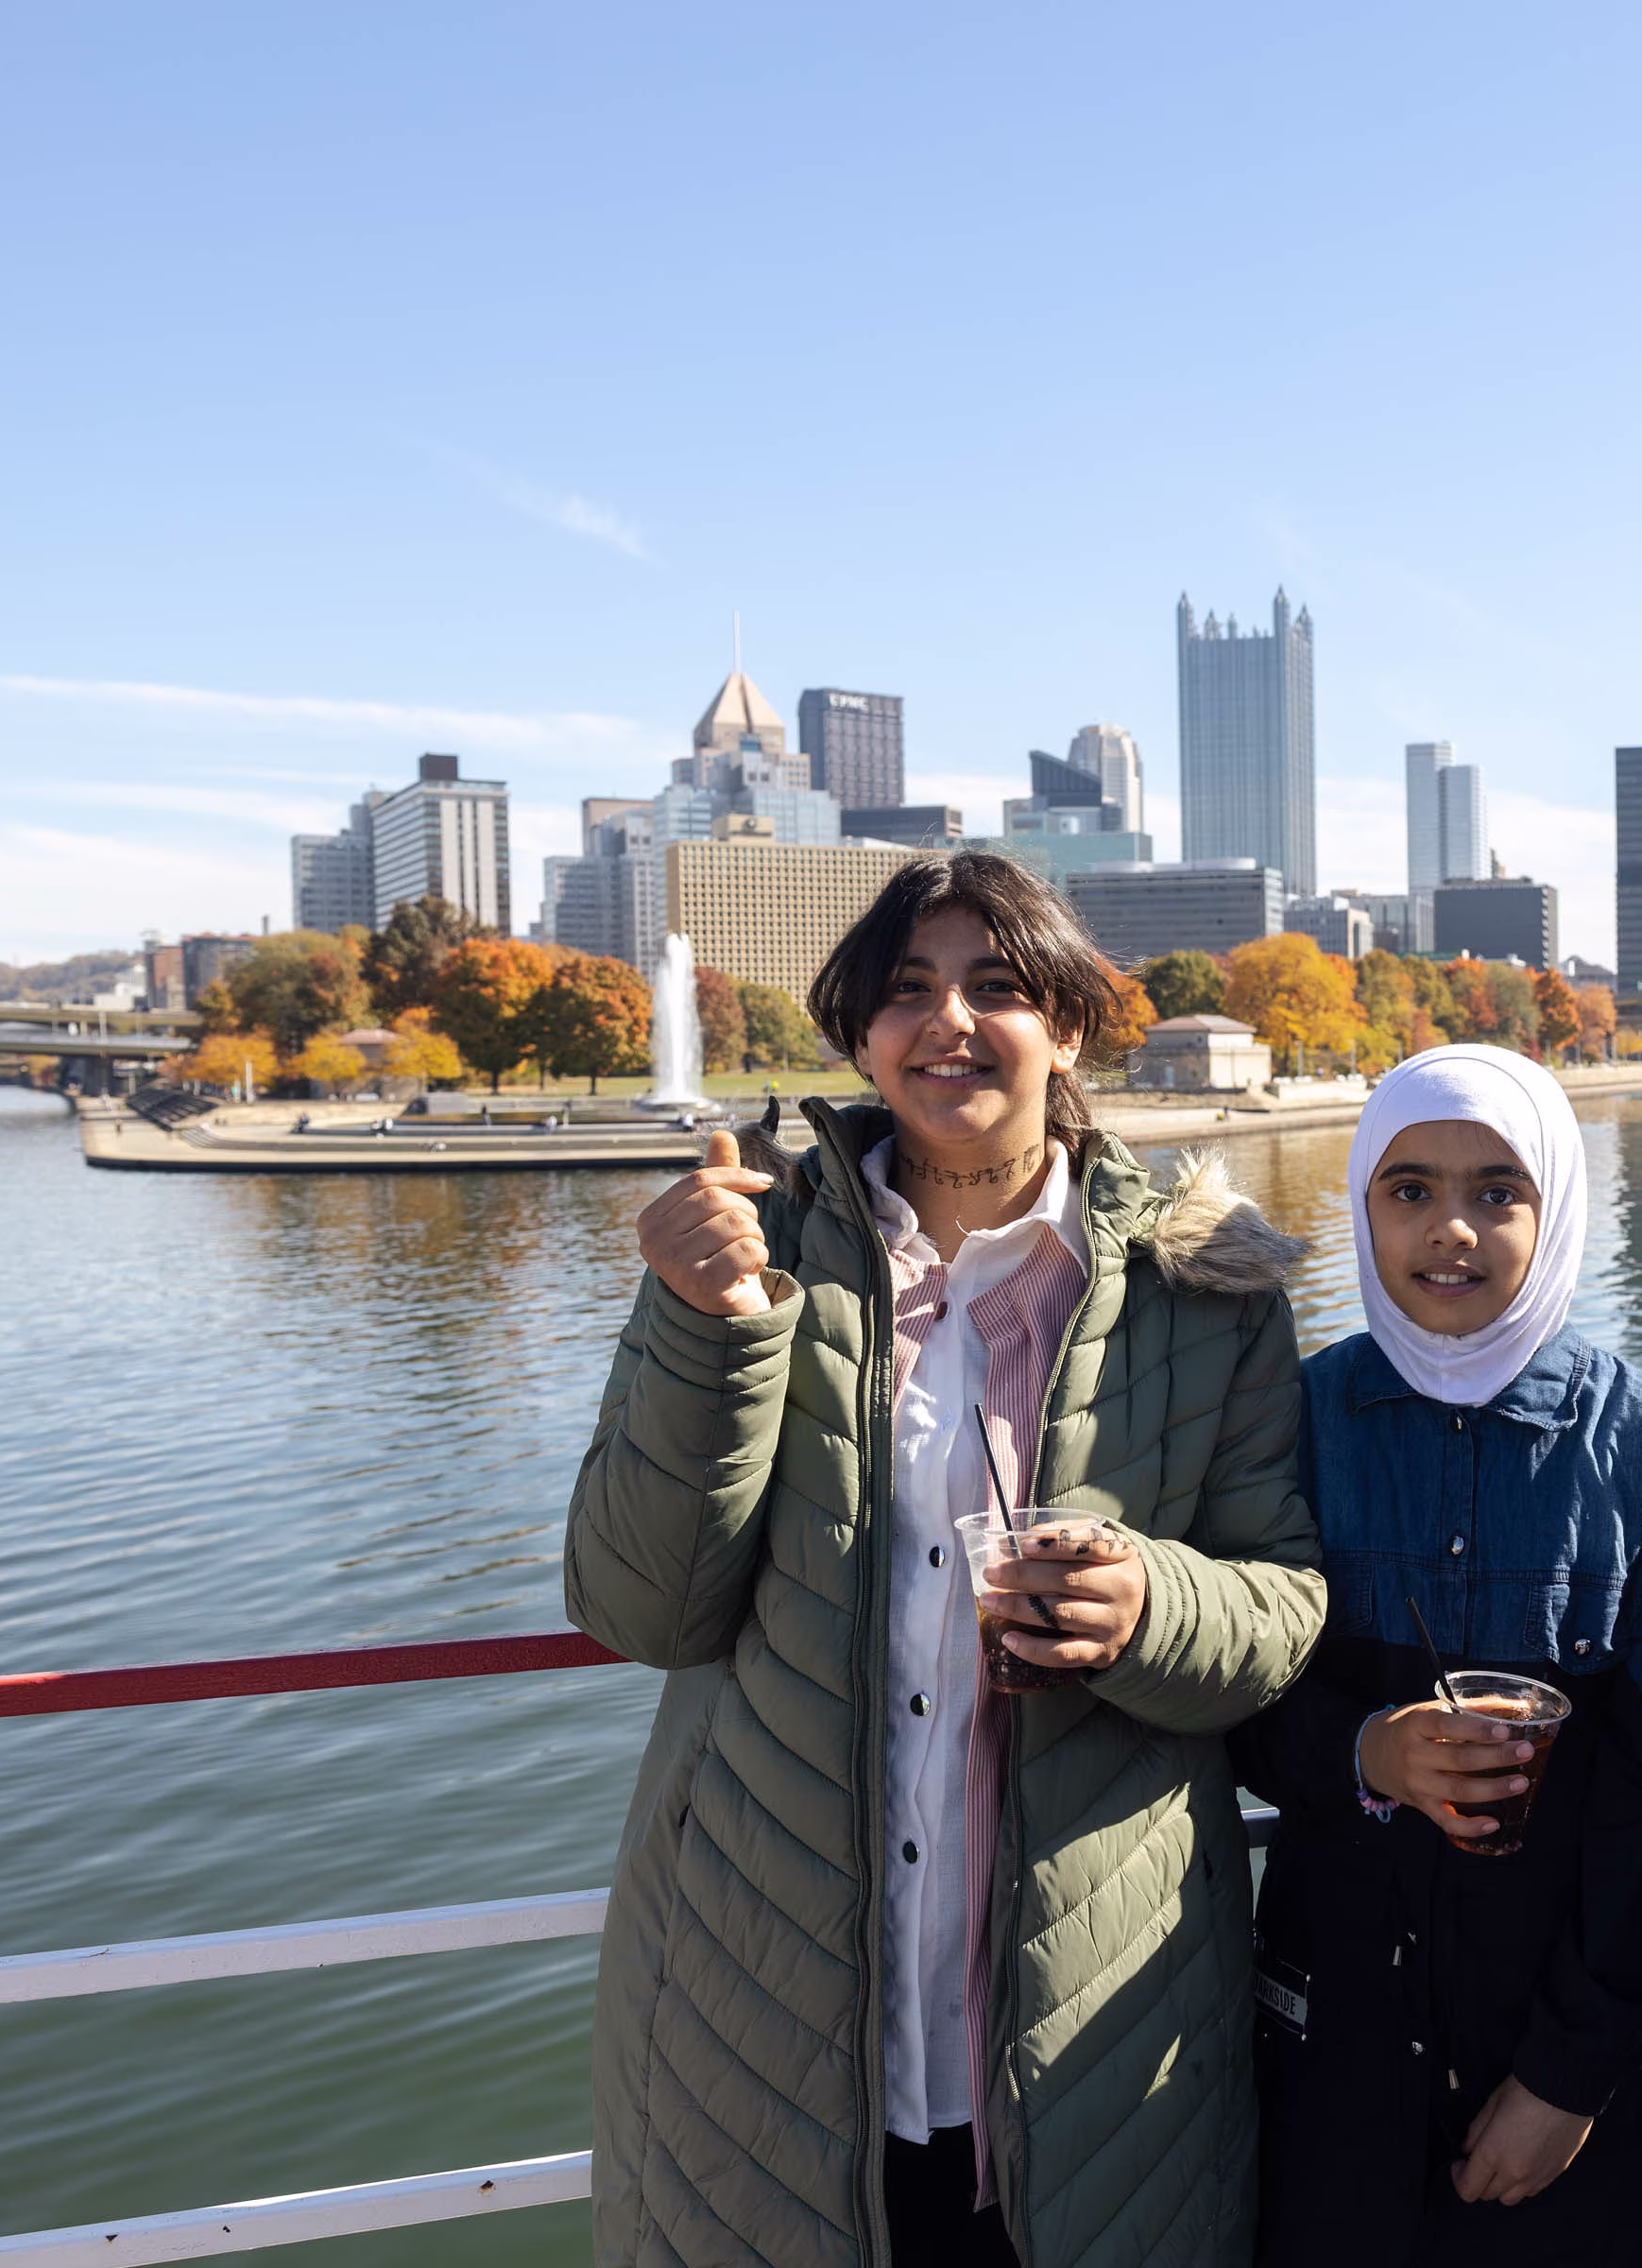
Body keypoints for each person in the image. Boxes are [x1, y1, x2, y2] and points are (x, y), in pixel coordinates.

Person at [564, 851, 1326, 2268]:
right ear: (861, 1034)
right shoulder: (752, 1251)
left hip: (1100, 2025)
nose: (951, 1022)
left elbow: (1282, 1602)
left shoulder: (1205, 1286)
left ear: (1072, 1028)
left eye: (999, 986)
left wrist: (1153, 1603)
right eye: (908, 990)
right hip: (764, 2016)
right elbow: (638, 1609)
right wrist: (709, 1331)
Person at [1232, 1043, 1642, 2268]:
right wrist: (1363, 1752)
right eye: (1410, 1190)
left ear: (1555, 1209)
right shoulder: (1293, 1420)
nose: (1451, 1229)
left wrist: (1566, 2072)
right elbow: (1220, 1691)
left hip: (1579, 2079)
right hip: (1336, 2057)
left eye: (1499, 1190)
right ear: (1362, 1204)